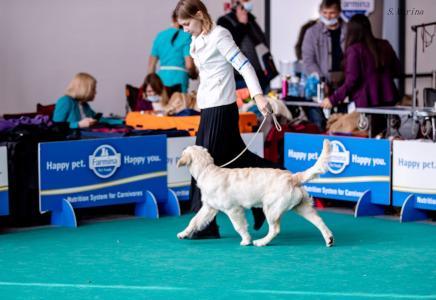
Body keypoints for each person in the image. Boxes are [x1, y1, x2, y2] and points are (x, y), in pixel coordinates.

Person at [175, 0, 281, 239]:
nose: (185, 30)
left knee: (203, 165)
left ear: (200, 15)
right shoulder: (196, 39)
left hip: (222, 108)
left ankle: (204, 227)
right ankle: (277, 179)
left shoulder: (220, 35)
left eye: (187, 24)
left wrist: (258, 96)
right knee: (238, 157)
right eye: (182, 26)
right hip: (209, 106)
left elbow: (245, 66)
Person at [321, 14, 401, 136]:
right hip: (388, 103)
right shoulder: (385, 44)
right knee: (385, 138)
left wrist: (333, 99)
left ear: (351, 31)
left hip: (366, 105)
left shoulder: (354, 49)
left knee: (366, 140)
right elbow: (397, 70)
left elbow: (352, 80)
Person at [217, 0, 271, 92]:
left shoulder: (251, 20)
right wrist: (241, 24)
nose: (248, 2)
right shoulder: (224, 21)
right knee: (247, 106)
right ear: (236, 3)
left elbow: (262, 43)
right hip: (241, 78)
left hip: (261, 76)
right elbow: (228, 45)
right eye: (245, 1)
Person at [302, 0, 347, 93]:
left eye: (332, 13)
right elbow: (308, 60)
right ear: (320, 12)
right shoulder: (312, 32)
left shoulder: (348, 30)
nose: (328, 16)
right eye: (325, 13)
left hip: (345, 82)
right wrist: (321, 81)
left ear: (339, 12)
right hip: (322, 83)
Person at [148, 9, 197, 93]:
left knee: (163, 105)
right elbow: (189, 65)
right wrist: (193, 74)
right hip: (179, 79)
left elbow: (151, 65)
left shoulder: (160, 36)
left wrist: (150, 84)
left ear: (172, 19)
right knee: (179, 104)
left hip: (161, 79)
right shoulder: (186, 35)